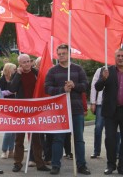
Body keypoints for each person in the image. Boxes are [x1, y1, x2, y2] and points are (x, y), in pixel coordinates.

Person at [45, 44, 91, 175]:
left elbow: (85, 85)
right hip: (60, 110)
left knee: (79, 139)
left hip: (76, 109)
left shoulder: (78, 69)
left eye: (63, 53)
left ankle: (81, 165)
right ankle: (55, 165)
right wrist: (62, 90)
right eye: (59, 54)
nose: (61, 56)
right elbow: (47, 88)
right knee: (58, 139)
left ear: (69, 54)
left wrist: (74, 85)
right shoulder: (53, 71)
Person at [8, 54, 50, 173]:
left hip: (34, 110)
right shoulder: (17, 74)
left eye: (28, 61)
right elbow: (12, 89)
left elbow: (43, 86)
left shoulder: (36, 72)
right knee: (19, 139)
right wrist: (18, 74)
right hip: (21, 111)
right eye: (24, 62)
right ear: (20, 64)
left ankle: (39, 163)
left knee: (36, 139)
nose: (27, 64)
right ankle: (17, 163)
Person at [95, 48, 123, 175]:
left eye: (122, 56)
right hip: (110, 111)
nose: (121, 58)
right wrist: (104, 79)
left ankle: (122, 166)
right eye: (118, 56)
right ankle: (110, 165)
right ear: (114, 57)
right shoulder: (107, 71)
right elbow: (98, 87)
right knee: (110, 139)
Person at [0, 63, 16, 159]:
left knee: (14, 131)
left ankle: (11, 150)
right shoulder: (0, 81)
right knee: (8, 131)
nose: (15, 71)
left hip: (15, 107)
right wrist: (9, 92)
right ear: (8, 70)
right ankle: (4, 150)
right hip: (5, 107)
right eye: (14, 69)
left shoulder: (14, 79)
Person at [90, 67, 104, 159]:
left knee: (116, 130)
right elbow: (94, 86)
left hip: (115, 105)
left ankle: (117, 151)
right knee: (98, 128)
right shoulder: (100, 70)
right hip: (100, 103)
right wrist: (93, 102)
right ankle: (96, 151)